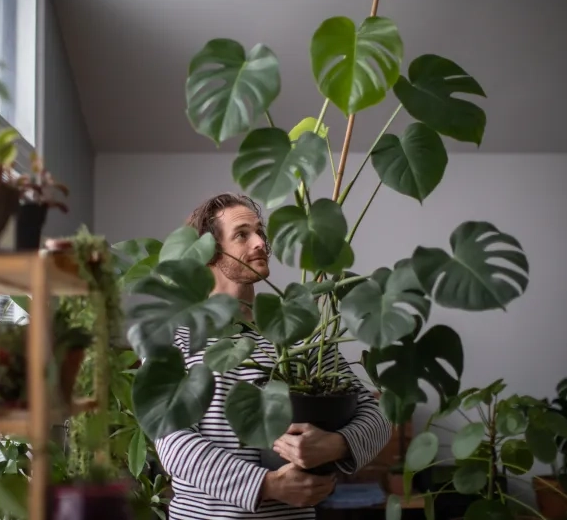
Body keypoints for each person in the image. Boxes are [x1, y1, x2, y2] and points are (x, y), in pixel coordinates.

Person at [154, 193, 391, 520]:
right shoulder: (175, 337)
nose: (260, 243)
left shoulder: (297, 331)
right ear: (207, 251)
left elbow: (376, 415)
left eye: (260, 232)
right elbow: (171, 441)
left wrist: (336, 444)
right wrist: (267, 485)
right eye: (242, 234)